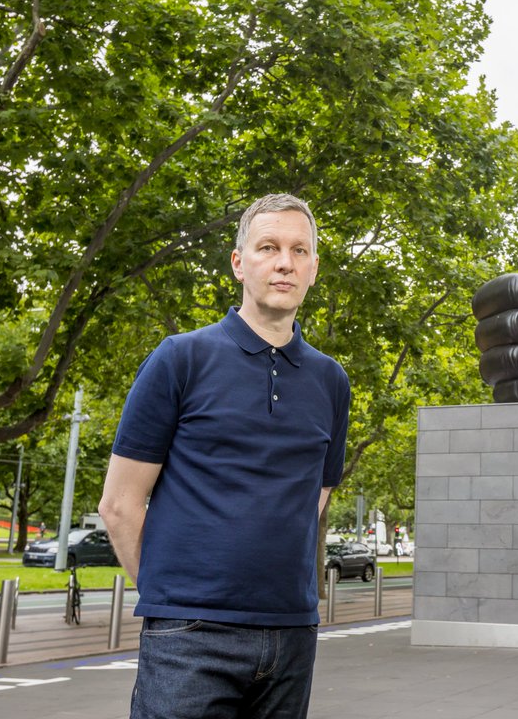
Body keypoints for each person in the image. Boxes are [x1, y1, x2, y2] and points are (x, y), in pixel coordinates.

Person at [99, 193, 350, 719]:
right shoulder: (179, 358)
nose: (285, 262)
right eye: (268, 247)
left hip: (291, 636)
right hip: (189, 638)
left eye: (299, 251)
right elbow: (119, 504)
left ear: (313, 269)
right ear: (239, 262)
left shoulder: (331, 381)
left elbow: (315, 497)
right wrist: (174, 599)